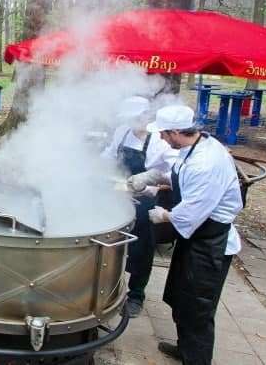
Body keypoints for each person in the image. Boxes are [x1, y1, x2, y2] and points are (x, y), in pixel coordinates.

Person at [129, 105, 243, 365]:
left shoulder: (207, 163)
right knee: (181, 297)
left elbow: (193, 213)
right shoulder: (193, 147)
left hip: (210, 242)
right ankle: (185, 348)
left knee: (199, 307)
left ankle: (196, 359)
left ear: (177, 131)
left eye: (163, 134)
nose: (160, 138)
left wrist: (164, 216)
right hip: (194, 239)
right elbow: (180, 177)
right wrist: (152, 179)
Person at [100, 97, 173, 318]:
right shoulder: (122, 131)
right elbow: (110, 155)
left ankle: (136, 295)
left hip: (144, 201)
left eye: (136, 118)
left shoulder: (159, 141)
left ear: (146, 115)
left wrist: (152, 185)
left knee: (141, 249)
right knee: (110, 243)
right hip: (117, 194)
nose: (132, 122)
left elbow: (174, 173)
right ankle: (106, 288)